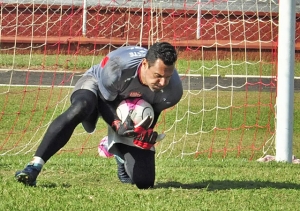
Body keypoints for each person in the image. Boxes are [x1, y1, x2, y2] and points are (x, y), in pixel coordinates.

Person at [15, 42, 183, 189]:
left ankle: (118, 152)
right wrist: (117, 124)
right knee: (82, 107)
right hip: (98, 88)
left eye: (167, 77)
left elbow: (153, 112)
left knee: (144, 181)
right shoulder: (117, 68)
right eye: (158, 76)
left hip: (131, 106)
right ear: (145, 64)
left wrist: (143, 133)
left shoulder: (174, 90)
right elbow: (104, 100)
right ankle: (34, 166)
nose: (163, 83)